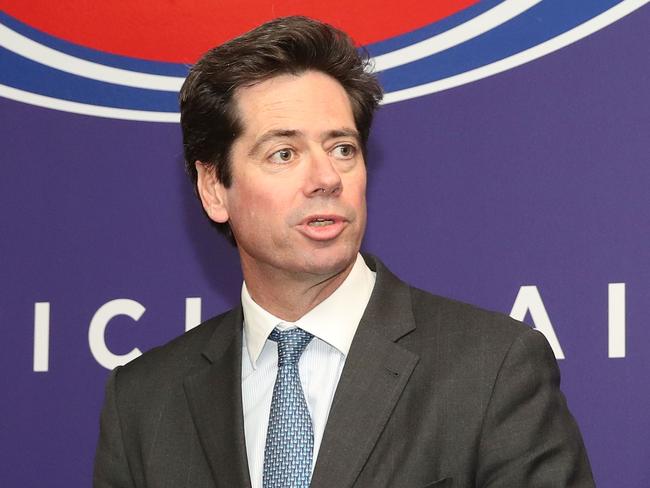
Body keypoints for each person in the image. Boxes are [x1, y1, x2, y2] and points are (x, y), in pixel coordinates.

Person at [93, 16, 594, 488]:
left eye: (342, 149)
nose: (326, 178)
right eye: (284, 153)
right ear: (213, 188)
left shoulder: (492, 368)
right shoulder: (143, 402)